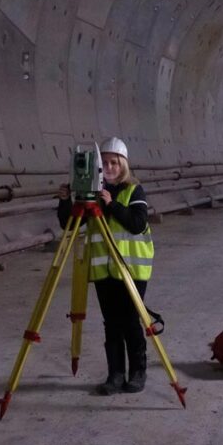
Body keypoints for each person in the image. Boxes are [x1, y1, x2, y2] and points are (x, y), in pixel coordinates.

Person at [57, 137, 154, 395]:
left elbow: (136, 223)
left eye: (114, 162)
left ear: (123, 165)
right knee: (111, 323)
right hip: (103, 271)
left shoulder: (134, 191)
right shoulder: (93, 195)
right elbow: (67, 223)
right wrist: (66, 201)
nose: (109, 167)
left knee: (131, 322)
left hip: (131, 270)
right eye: (105, 163)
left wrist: (111, 204)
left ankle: (137, 372)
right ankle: (115, 374)